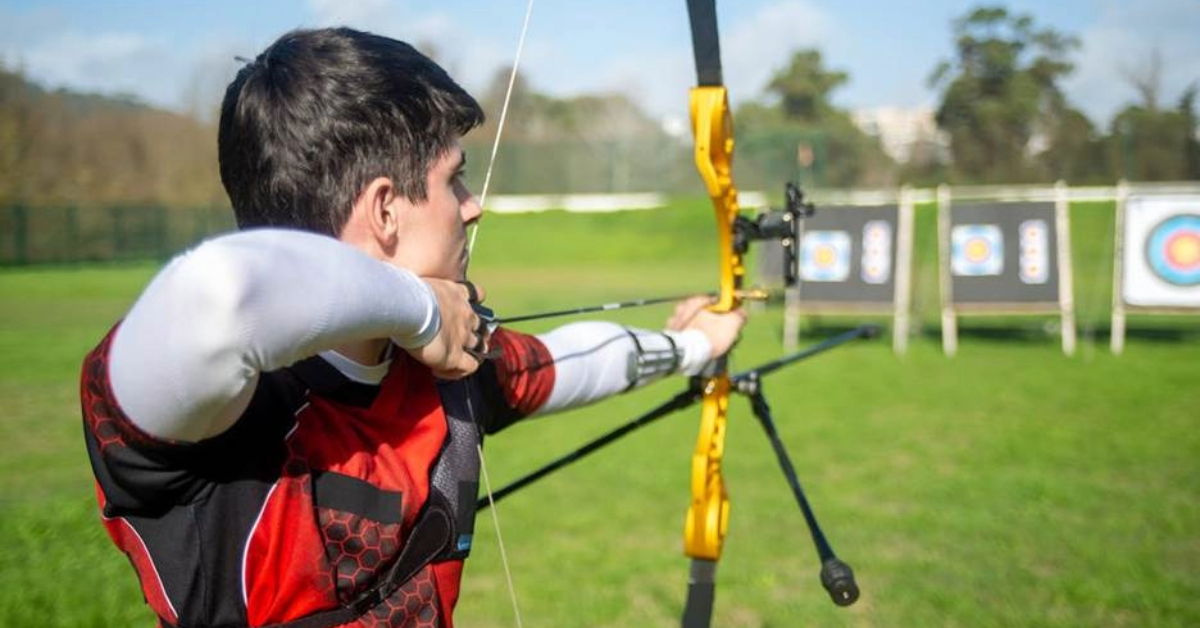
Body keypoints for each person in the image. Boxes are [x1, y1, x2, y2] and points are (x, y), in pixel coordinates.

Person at [81, 27, 745, 628]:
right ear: (385, 211)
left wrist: (695, 344)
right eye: (455, 182)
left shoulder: (447, 368)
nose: (473, 206)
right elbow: (218, 294)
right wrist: (420, 309)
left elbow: (573, 362)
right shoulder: (219, 410)